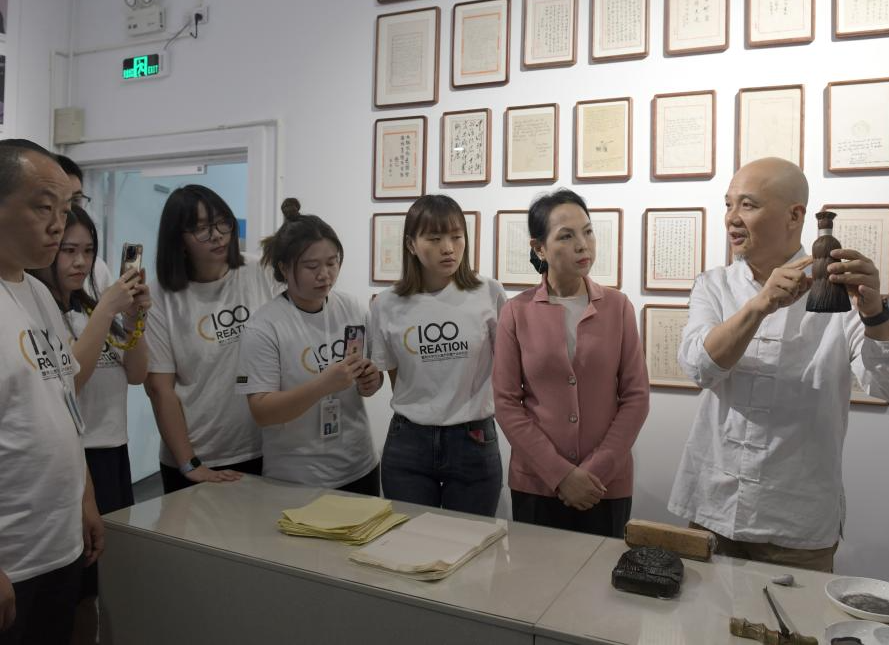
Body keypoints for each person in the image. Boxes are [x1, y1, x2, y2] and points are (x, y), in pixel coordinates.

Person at [669, 157, 889, 572]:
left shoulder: (841, 292)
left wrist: (876, 313)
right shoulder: (714, 285)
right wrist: (759, 305)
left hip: (796, 519)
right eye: (728, 205)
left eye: (748, 205)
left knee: (795, 616)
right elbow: (700, 368)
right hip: (713, 505)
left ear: (795, 215)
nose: (732, 218)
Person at [493, 189, 649, 538]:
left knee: (603, 571)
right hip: (537, 482)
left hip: (604, 484)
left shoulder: (618, 307)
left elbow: (636, 397)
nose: (583, 244)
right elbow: (506, 403)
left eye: (588, 232)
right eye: (566, 236)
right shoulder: (516, 312)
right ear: (539, 248)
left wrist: (596, 470)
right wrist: (560, 474)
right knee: (536, 569)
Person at [28, 205, 151, 643]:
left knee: (99, 586)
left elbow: (137, 373)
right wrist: (106, 312)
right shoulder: (37, 314)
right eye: (68, 251)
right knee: (73, 588)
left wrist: (134, 317)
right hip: (74, 461)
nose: (80, 262)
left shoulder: (90, 308)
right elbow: (70, 382)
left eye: (88, 250)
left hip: (113, 452)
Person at [0, 139, 103, 644]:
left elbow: (63, 403)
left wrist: (85, 497)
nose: (58, 225)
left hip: (58, 545)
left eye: (65, 210)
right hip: (10, 559)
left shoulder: (37, 292)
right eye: (43, 208)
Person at [368, 195, 506, 516]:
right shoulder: (386, 303)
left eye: (457, 237)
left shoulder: (489, 292)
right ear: (411, 245)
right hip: (409, 440)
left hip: (473, 437)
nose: (448, 248)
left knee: (469, 538)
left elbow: (508, 366)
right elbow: (394, 376)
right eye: (434, 239)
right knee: (411, 538)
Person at [237, 199, 382, 493]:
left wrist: (371, 380)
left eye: (332, 262)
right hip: (297, 476)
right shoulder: (264, 327)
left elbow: (372, 381)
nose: (324, 274)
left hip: (359, 464)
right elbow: (262, 412)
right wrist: (323, 385)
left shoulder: (351, 307)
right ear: (284, 268)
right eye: (311, 266)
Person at [144, 185, 279, 494]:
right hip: (197, 456)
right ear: (178, 239)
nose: (217, 235)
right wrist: (189, 464)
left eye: (222, 223)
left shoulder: (259, 271)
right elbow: (160, 389)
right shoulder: (160, 295)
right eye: (202, 229)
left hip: (265, 446)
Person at [55, 154, 113, 298]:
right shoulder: (31, 271)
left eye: (76, 199)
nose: (70, 209)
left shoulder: (98, 269)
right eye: (69, 250)